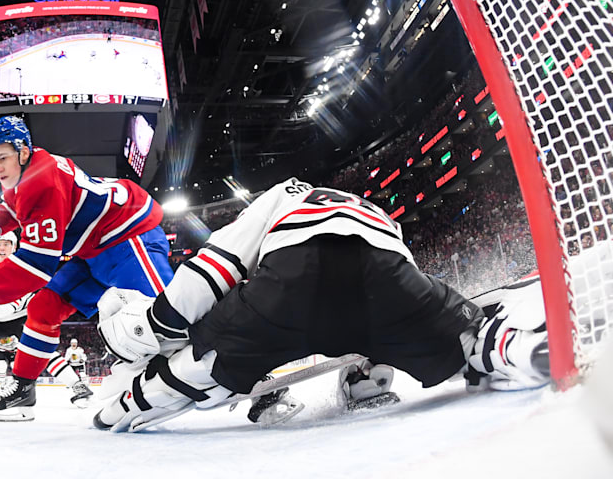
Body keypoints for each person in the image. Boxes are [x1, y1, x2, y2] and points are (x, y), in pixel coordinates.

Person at [93, 178, 551, 431]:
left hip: (291, 283)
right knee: (463, 339)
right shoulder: (374, 210)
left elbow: (219, 263)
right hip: (384, 276)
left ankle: (138, 399)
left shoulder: (285, 193)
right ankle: (500, 348)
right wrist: (444, 322)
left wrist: (162, 323)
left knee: (200, 366)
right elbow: (402, 279)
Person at [0, 115, 172, 421]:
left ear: (23, 151)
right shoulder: (25, 173)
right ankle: (22, 390)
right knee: (43, 308)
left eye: (3, 157)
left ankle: (239, 367)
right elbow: (10, 204)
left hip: (128, 235)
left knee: (170, 319)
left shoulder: (43, 182)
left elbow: (37, 264)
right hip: (93, 248)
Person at [0, 231, 94, 408]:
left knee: (40, 349)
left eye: (6, 244)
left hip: (21, 316)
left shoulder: (22, 266)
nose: (1, 248)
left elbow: (15, 303)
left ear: (15, 248)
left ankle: (78, 386)